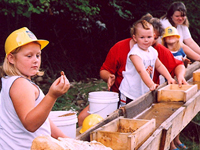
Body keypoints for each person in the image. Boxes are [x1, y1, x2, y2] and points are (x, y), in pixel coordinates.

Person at [77, 14, 187, 127]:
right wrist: (109, 76)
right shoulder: (126, 50)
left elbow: (175, 65)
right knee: (90, 118)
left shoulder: (155, 49)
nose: (149, 41)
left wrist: (176, 77)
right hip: (124, 94)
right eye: (143, 37)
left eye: (152, 37)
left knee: (142, 121)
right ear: (135, 37)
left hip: (144, 95)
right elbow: (138, 71)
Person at [0, 27, 70, 150]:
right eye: (29, 56)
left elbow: (42, 118)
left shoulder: (10, 81)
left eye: (38, 55)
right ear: (11, 58)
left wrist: (65, 139)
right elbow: (30, 124)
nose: (36, 61)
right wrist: (52, 96)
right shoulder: (21, 84)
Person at [119, 19, 176, 106]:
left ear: (153, 36)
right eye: (142, 37)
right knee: (127, 114)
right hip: (129, 92)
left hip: (142, 91)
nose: (146, 40)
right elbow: (141, 71)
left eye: (149, 37)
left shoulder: (152, 51)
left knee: (141, 112)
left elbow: (159, 65)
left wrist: (169, 78)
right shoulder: (135, 53)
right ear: (135, 38)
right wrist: (151, 85)